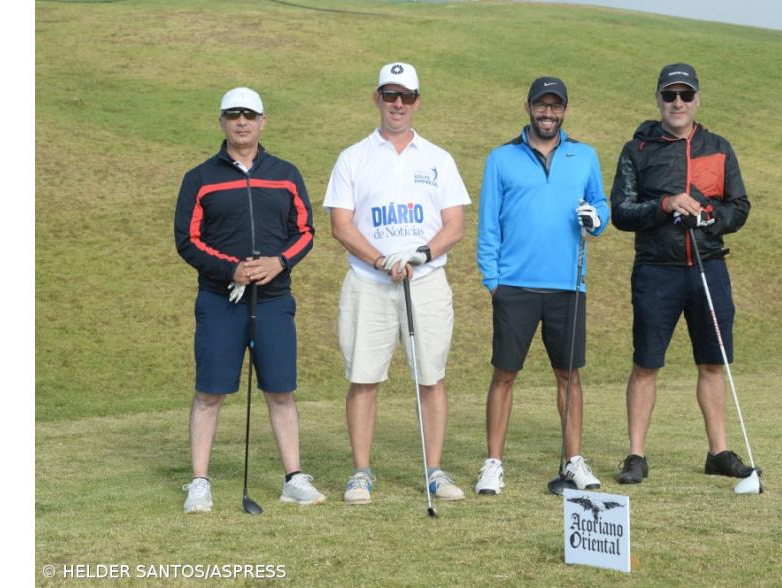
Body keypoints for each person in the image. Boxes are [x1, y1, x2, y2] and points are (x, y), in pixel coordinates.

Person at [323, 62, 471, 505]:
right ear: (378, 99)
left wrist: (422, 254)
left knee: (431, 376)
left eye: (406, 96)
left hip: (425, 280)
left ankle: (435, 471)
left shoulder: (437, 158)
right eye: (390, 95)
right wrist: (381, 259)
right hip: (369, 280)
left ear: (417, 102)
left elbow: (455, 224)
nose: (398, 104)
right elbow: (340, 223)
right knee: (364, 377)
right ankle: (361, 473)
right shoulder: (353, 156)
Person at [174, 87, 325, 512]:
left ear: (263, 121)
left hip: (275, 300)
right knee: (209, 392)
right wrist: (231, 269)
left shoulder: (286, 173)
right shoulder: (200, 178)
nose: (242, 122)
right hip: (220, 301)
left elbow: (306, 232)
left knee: (281, 391)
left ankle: (293, 478)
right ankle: (200, 482)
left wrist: (278, 262)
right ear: (222, 121)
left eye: (250, 115)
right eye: (233, 115)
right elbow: (187, 241)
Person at [609, 63, 757, 485]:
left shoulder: (719, 147)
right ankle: (636, 455)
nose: (677, 103)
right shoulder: (637, 150)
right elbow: (621, 211)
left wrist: (709, 217)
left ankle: (718, 452)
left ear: (697, 100)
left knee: (713, 363)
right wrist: (666, 205)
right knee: (646, 363)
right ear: (657, 99)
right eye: (669, 95)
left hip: (708, 269)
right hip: (656, 271)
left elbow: (739, 207)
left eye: (685, 95)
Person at [474, 77, 610, 495]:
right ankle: (493, 463)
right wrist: (492, 280)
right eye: (541, 105)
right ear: (529, 106)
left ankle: (573, 461)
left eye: (555, 106)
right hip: (514, 284)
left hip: (568, 284)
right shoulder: (501, 158)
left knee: (569, 375)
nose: (547, 113)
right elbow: (488, 223)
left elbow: (601, 206)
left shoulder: (583, 155)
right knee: (505, 374)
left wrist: (597, 220)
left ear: (565, 110)